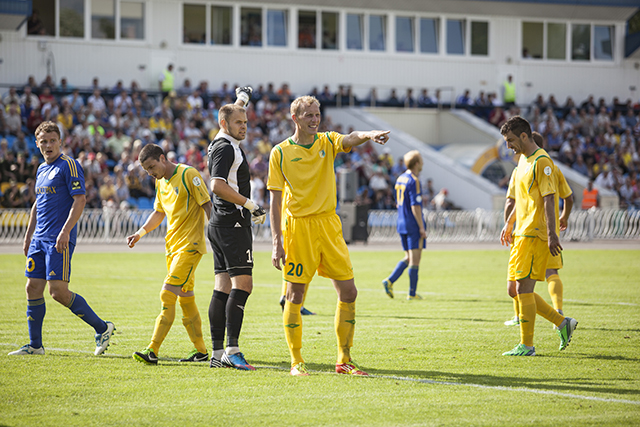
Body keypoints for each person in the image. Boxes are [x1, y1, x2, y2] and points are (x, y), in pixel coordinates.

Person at [268, 95, 390, 376]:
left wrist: (369, 135)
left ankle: (344, 360)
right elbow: (274, 201)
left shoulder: (326, 142)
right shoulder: (281, 152)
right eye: (309, 115)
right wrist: (277, 242)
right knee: (294, 296)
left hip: (329, 225)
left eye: (317, 114)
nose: (315, 119)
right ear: (295, 118)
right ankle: (296, 362)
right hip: (298, 228)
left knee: (349, 292)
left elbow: (350, 138)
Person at [8, 121, 115, 356]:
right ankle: (35, 345)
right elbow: (37, 204)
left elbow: (80, 200)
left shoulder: (69, 165)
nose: (48, 145)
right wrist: (28, 236)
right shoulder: (41, 170)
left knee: (58, 292)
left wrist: (65, 231)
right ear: (37, 144)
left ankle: (102, 327)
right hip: (39, 239)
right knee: (32, 287)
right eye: (43, 141)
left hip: (59, 239)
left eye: (52, 140)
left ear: (61, 142)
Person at [499, 116, 578, 356]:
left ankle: (527, 345)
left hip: (535, 234)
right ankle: (563, 323)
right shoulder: (523, 161)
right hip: (520, 233)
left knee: (524, 288)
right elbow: (520, 200)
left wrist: (553, 234)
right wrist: (509, 224)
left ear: (524, 136)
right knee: (514, 289)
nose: (508, 146)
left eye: (511, 140)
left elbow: (549, 197)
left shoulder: (542, 161)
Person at [127, 144, 212, 365]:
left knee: (167, 294)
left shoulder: (188, 174)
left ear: (162, 158)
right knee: (186, 297)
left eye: (152, 167)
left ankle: (152, 350)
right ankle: (201, 352)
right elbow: (159, 212)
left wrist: (218, 236)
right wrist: (140, 233)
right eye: (146, 170)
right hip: (172, 249)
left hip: (190, 246)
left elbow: (207, 205)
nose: (150, 173)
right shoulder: (160, 182)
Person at [206, 87, 266, 371]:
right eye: (239, 123)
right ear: (224, 124)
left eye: (246, 122)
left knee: (222, 287)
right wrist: (250, 204)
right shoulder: (226, 147)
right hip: (232, 222)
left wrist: (242, 97)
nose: (244, 126)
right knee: (243, 285)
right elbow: (216, 185)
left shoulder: (222, 138)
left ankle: (217, 354)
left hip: (220, 223)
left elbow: (234, 109)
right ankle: (232, 349)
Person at [382, 150, 427, 300]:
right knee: (415, 259)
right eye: (421, 160)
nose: (423, 163)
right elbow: (416, 205)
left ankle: (389, 281)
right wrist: (421, 226)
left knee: (408, 257)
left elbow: (397, 203)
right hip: (412, 223)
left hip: (401, 222)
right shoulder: (414, 180)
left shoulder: (400, 178)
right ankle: (412, 294)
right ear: (416, 163)